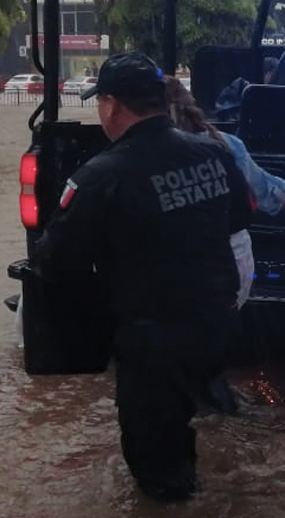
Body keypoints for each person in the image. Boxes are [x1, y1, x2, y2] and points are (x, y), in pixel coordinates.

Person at [32, 52, 251, 503]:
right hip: (219, 325)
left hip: (154, 341)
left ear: (112, 106)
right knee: (191, 413)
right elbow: (234, 221)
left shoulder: (102, 176)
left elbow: (54, 263)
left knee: (156, 466)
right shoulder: (213, 152)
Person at [163, 76, 285, 307]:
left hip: (200, 272)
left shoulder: (150, 155)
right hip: (235, 267)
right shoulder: (227, 144)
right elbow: (269, 189)